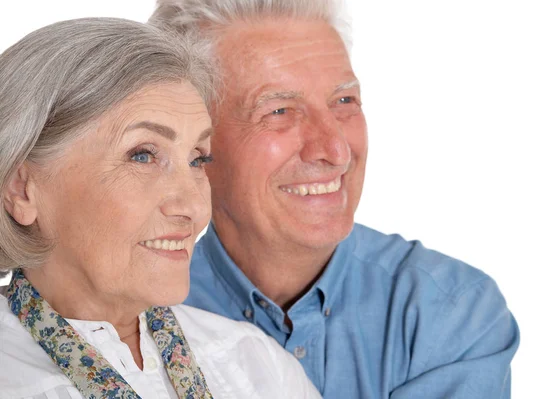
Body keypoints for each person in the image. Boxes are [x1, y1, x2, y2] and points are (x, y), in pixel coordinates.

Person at [149, 1, 520, 398]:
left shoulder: (450, 312)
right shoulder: (129, 318)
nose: (336, 149)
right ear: (194, 143)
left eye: (344, 102)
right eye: (278, 110)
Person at [0, 17, 320, 398]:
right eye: (142, 156)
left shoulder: (258, 368)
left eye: (199, 159)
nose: (194, 207)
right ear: (22, 190)